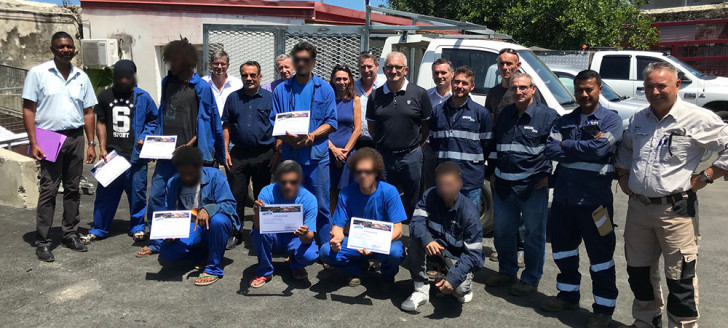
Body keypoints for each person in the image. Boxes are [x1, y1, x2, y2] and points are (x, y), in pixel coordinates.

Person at [615, 62, 728, 328]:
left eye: (661, 85)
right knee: (638, 273)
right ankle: (646, 321)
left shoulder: (698, 118)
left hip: (675, 212)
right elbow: (627, 148)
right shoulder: (639, 117)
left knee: (680, 278)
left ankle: (683, 325)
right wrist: (623, 176)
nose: (655, 91)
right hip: (639, 209)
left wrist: (705, 177)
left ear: (677, 85)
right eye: (649, 86)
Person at [542, 70, 623, 328]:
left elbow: (600, 148)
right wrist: (577, 148)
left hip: (595, 204)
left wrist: (567, 146)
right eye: (579, 90)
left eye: (589, 89)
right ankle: (567, 295)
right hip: (565, 201)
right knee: (563, 252)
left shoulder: (611, 121)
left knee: (601, 258)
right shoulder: (565, 120)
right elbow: (550, 148)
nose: (584, 95)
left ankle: (603, 310)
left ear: (599, 89)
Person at [138, 37, 225, 258]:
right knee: (158, 195)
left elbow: (208, 121)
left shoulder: (201, 87)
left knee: (193, 198)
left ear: (188, 61)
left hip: (190, 154)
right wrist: (153, 141)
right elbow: (161, 115)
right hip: (166, 153)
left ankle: (196, 239)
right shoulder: (168, 83)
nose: (171, 64)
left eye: (176, 60)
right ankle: (158, 241)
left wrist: (190, 146)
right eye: (169, 60)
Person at [22, 31, 98, 261]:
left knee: (73, 188)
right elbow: (28, 108)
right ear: (53, 49)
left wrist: (91, 143)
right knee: (49, 189)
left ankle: (70, 234)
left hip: (76, 137)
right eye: (61, 46)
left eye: (69, 47)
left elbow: (88, 112)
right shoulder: (38, 73)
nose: (65, 50)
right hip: (48, 136)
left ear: (73, 49)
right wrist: (33, 142)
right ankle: (43, 241)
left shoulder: (81, 77)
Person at [484, 72, 559, 296]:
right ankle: (507, 271)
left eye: (523, 88)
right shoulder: (505, 114)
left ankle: (530, 279)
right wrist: (492, 173)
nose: (518, 92)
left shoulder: (548, 116)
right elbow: (495, 146)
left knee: (533, 235)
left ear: (533, 89)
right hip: (504, 186)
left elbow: (560, 151)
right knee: (503, 232)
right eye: (515, 88)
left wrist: (551, 178)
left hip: (532, 187)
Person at [82, 60, 158, 243]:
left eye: (127, 77)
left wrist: (145, 136)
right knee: (105, 194)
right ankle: (99, 228)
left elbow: (154, 121)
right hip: (112, 155)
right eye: (120, 77)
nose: (124, 80)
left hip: (136, 156)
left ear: (133, 76)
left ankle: (138, 226)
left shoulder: (143, 97)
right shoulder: (105, 95)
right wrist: (102, 148)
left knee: (137, 193)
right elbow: (100, 121)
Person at [270, 41, 337, 246]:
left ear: (313, 62)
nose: (301, 63)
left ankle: (326, 249)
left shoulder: (325, 89)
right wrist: (289, 138)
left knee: (322, 206)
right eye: (297, 59)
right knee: (291, 204)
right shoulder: (281, 90)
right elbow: (275, 119)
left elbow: (331, 122)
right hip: (290, 157)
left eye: (305, 59)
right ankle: (295, 248)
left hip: (317, 158)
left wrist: (310, 137)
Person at [402, 162, 484, 311]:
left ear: (459, 183)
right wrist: (427, 240)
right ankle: (421, 289)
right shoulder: (430, 195)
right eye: (440, 185)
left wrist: (453, 279)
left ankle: (462, 281)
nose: (444, 189)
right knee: (415, 241)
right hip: (435, 250)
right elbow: (416, 222)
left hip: (456, 257)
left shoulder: (469, 214)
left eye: (449, 185)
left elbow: (474, 254)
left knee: (459, 291)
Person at [320, 148, 406, 290]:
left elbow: (398, 230)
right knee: (325, 251)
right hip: (356, 241)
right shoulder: (346, 193)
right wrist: (336, 239)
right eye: (359, 172)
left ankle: (387, 276)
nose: (363, 175)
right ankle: (357, 269)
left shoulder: (390, 192)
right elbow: (338, 227)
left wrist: (374, 245)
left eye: (368, 171)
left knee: (395, 253)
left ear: (376, 172)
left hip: (382, 242)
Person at [158, 146, 239, 286]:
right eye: (183, 173)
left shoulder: (215, 176)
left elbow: (230, 205)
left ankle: (213, 268)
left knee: (219, 221)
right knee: (166, 253)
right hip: (190, 226)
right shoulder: (173, 183)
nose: (187, 177)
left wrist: (208, 209)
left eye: (191, 173)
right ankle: (203, 254)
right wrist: (170, 231)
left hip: (212, 225)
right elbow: (170, 213)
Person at [366, 51, 433, 218]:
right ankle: (384, 240)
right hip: (384, 156)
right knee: (383, 200)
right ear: (384, 69)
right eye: (389, 67)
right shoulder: (375, 95)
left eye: (398, 67)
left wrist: (416, 144)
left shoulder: (419, 94)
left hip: (411, 156)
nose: (393, 71)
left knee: (414, 201)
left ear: (406, 70)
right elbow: (372, 127)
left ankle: (414, 239)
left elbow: (425, 126)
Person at [222, 61, 276, 250]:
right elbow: (226, 125)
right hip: (239, 154)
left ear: (260, 77)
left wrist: (277, 152)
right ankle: (236, 232)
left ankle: (258, 231)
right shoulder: (233, 98)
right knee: (237, 194)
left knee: (262, 195)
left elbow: (279, 126)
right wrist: (225, 151)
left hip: (264, 154)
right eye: (245, 75)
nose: (249, 79)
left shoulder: (271, 98)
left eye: (253, 75)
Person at [429, 66, 493, 208]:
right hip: (444, 180)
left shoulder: (481, 114)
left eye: (465, 83)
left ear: (472, 86)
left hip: (469, 180)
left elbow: (486, 146)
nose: (459, 86)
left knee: (469, 224)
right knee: (444, 223)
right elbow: (434, 142)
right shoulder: (438, 112)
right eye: (457, 82)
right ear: (451, 82)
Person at [485, 48, 526, 266]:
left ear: (517, 65)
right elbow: (490, 125)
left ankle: (520, 249)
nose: (506, 68)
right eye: (502, 64)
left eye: (510, 64)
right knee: (500, 206)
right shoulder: (493, 94)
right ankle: (503, 247)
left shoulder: (527, 90)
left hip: (521, 157)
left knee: (519, 206)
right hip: (498, 157)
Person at [249, 160, 319, 287]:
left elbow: (309, 238)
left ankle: (296, 264)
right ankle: (265, 270)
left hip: (295, 238)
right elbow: (259, 227)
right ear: (277, 181)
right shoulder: (267, 192)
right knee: (257, 233)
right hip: (273, 237)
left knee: (310, 255)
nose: (288, 186)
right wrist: (257, 213)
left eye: (293, 182)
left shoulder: (309, 199)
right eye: (283, 182)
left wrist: (303, 234)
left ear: (300, 181)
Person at [328, 64, 361, 210]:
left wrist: (345, 151)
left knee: (346, 192)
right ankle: (328, 227)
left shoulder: (355, 100)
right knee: (330, 191)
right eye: (338, 79)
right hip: (327, 152)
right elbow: (318, 127)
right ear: (333, 80)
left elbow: (357, 129)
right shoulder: (326, 100)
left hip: (347, 154)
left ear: (350, 81)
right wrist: (333, 149)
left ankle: (345, 226)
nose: (341, 82)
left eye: (344, 79)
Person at [423, 58, 454, 191]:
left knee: (450, 186)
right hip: (430, 149)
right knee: (430, 186)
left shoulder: (462, 96)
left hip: (452, 147)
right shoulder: (425, 96)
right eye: (436, 73)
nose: (439, 76)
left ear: (452, 74)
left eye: (443, 72)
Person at [354, 51, 383, 150]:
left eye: (369, 66)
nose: (366, 70)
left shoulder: (385, 87)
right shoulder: (352, 88)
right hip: (356, 142)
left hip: (379, 141)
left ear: (377, 66)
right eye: (363, 67)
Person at [202, 50, 243, 117]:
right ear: (211, 64)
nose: (219, 67)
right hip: (209, 125)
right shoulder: (203, 82)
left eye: (223, 64)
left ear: (227, 66)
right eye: (216, 63)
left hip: (230, 125)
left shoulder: (237, 84)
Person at [484, 48, 521, 118]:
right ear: (497, 65)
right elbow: (490, 121)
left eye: (509, 64)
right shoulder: (493, 93)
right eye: (501, 63)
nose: (504, 67)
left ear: (518, 66)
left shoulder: (526, 91)